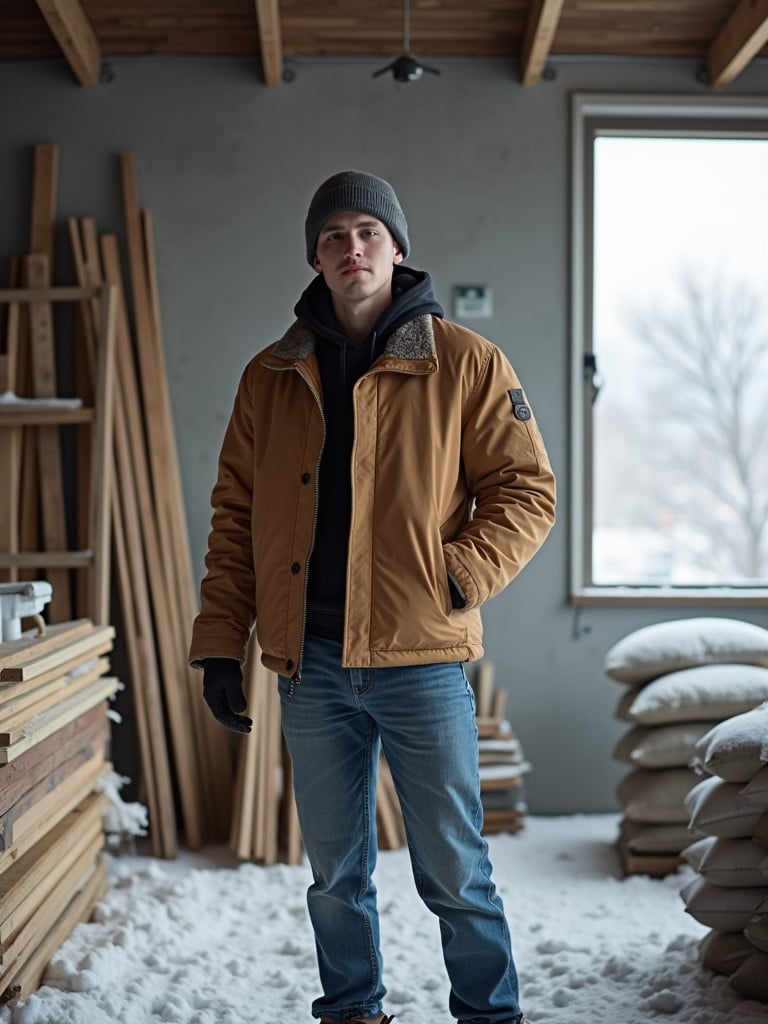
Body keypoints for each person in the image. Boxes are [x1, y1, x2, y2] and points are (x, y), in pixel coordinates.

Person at [189, 170, 556, 1024]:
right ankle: (352, 1011)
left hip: (421, 660)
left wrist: (459, 576)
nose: (350, 249)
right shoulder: (269, 376)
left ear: (396, 247)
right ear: (315, 259)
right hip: (310, 668)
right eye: (332, 237)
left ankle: (489, 1016)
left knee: (456, 873)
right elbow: (235, 516)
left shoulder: (467, 363)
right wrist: (220, 640)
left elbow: (526, 491)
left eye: (366, 232)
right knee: (334, 876)